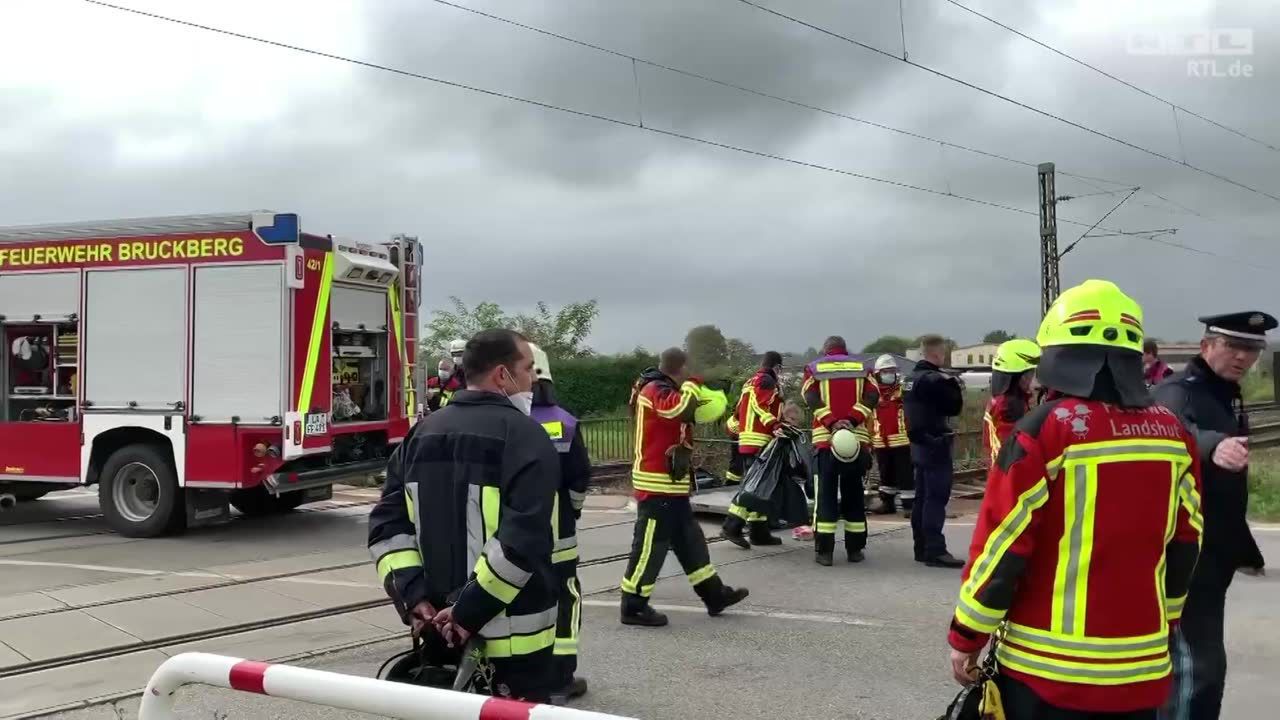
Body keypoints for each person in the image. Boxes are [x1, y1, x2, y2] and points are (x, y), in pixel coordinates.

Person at [948, 279, 1204, 719]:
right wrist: (1167, 621)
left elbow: (1003, 546)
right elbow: (1187, 539)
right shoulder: (1173, 430)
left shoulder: (1043, 429)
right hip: (1140, 671)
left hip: (1046, 675)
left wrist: (966, 637)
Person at [367, 329, 561, 702]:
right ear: (502, 375)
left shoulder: (420, 434)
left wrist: (414, 597)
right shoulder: (526, 436)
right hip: (513, 646)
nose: (533, 380)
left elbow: (387, 528)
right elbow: (523, 541)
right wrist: (467, 613)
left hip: (437, 635)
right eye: (528, 369)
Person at [1154, 311, 1275, 719]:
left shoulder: (1224, 391)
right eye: (1234, 346)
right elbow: (1172, 426)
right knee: (1198, 668)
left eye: (1253, 349)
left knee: (1190, 664)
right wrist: (1211, 446)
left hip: (1212, 552)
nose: (1244, 357)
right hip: (1187, 552)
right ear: (1206, 346)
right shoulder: (1179, 390)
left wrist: (1243, 548)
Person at [619, 348, 750, 627]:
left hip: (672, 486)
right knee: (649, 548)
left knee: (691, 542)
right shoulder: (655, 389)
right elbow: (678, 410)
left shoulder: (662, 388)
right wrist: (693, 385)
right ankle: (633, 605)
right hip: (656, 485)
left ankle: (714, 595)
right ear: (680, 368)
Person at [527, 343, 591, 705]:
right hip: (558, 537)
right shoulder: (564, 423)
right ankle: (560, 677)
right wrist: (572, 511)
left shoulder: (505, 421)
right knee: (565, 599)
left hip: (507, 539)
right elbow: (579, 479)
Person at [803, 336, 879, 566]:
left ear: (826, 350)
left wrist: (832, 422)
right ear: (845, 351)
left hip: (826, 443)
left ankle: (824, 553)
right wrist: (852, 420)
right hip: (855, 443)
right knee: (854, 495)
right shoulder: (863, 368)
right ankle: (854, 550)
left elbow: (811, 397)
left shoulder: (814, 369)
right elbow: (873, 397)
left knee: (825, 496)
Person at [903, 335, 965, 568]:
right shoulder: (935, 380)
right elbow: (954, 407)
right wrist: (953, 384)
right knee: (936, 498)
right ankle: (935, 549)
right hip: (935, 442)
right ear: (937, 354)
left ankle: (921, 546)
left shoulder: (910, 379)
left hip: (918, 444)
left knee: (921, 497)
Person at [721, 351, 786, 548]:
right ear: (777, 367)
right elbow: (760, 405)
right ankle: (731, 526)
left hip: (749, 439)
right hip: (760, 440)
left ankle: (759, 531)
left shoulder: (750, 381)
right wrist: (775, 424)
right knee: (754, 487)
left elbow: (740, 409)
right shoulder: (767, 381)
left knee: (761, 487)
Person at [982, 338, 1040, 467]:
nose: (1033, 379)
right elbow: (1015, 452)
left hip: (1000, 474)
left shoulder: (1001, 400)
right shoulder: (1008, 407)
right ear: (1021, 377)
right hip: (1010, 477)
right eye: (1031, 374)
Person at [868, 354, 913, 517]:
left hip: (901, 440)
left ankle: (909, 505)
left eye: (892, 371)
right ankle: (887, 503)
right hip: (880, 441)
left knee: (905, 473)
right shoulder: (872, 393)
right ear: (878, 373)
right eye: (886, 371)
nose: (890, 374)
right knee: (885, 473)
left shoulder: (903, 390)